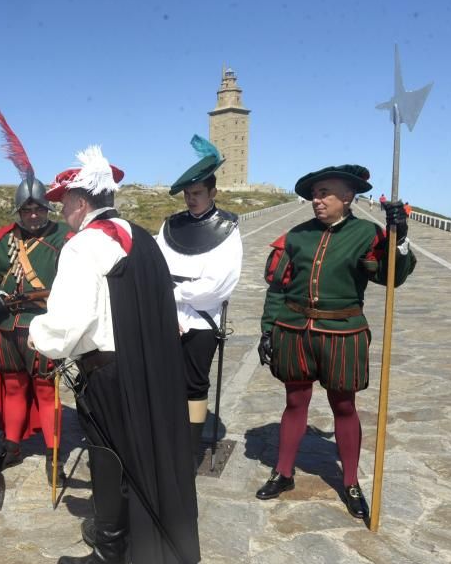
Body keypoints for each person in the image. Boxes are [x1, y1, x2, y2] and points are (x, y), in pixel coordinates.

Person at [28, 146, 202, 564]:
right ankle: (133, 538)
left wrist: (37, 336)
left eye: (64, 201)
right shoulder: (138, 235)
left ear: (82, 202)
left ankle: (108, 556)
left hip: (106, 371)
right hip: (147, 367)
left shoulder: (84, 245)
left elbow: (70, 322)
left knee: (109, 461)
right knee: (138, 456)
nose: (61, 210)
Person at [256, 165, 416, 519]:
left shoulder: (366, 234)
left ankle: (350, 481)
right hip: (294, 331)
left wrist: (399, 236)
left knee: (344, 407)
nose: (317, 199)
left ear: (347, 197)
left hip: (343, 335)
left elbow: (394, 277)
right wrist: (268, 330)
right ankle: (283, 472)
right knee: (294, 402)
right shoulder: (297, 236)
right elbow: (278, 287)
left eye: (325, 192)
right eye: (314, 193)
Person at [0, 177, 71, 484]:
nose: (33, 215)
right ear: (19, 212)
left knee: (45, 392)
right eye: (27, 210)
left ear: (47, 208)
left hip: (43, 327)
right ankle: (11, 447)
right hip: (6, 328)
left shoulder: (65, 238)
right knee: (12, 388)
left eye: (38, 209)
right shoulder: (4, 241)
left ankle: (54, 457)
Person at [157, 135, 242, 463]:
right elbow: (159, 267)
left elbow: (219, 283)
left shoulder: (228, 228)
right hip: (169, 317)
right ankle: (168, 441)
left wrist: (177, 292)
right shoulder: (170, 226)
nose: (191, 200)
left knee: (194, 382)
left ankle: (190, 448)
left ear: (213, 193)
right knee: (165, 380)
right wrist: (169, 307)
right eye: (187, 194)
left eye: (197, 194)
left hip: (203, 320)